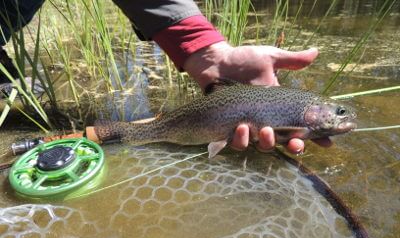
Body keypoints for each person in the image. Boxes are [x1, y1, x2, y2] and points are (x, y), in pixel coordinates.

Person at [0, 0, 330, 154]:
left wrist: (208, 52)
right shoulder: (302, 110)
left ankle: (127, 135)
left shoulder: (303, 113)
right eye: (338, 113)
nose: (340, 117)